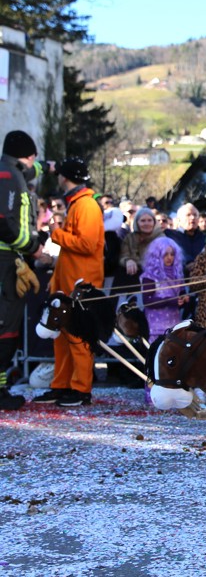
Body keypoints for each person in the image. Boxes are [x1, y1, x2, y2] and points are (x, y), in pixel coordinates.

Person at [34, 159, 104, 407]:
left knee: (78, 337)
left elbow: (86, 244)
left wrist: (56, 232)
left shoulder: (86, 205)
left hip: (81, 285)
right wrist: (55, 279)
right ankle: (62, 385)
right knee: (63, 338)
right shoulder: (78, 203)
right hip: (68, 283)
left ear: (64, 177)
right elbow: (71, 251)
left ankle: (80, 389)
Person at [0, 130, 42, 410]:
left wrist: (49, 167)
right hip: (5, 260)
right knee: (5, 325)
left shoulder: (11, 170)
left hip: (9, 258)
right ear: (27, 155)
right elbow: (3, 221)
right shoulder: (8, 176)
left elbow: (32, 171)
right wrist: (32, 247)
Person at [139, 236, 189, 339]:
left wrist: (184, 299)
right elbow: (147, 300)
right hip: (155, 326)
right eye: (165, 254)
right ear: (157, 256)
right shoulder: (150, 276)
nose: (169, 257)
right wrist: (170, 300)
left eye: (172, 254)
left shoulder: (177, 275)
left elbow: (181, 294)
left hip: (174, 324)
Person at [116, 207, 161, 304]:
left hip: (155, 279)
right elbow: (123, 255)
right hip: (133, 277)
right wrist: (128, 260)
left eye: (149, 220)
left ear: (154, 222)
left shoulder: (161, 238)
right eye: (143, 221)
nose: (146, 223)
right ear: (137, 222)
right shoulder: (130, 238)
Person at [165, 203, 206, 273]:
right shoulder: (170, 235)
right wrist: (187, 264)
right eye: (188, 215)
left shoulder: (204, 237)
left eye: (195, 215)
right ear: (179, 220)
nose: (192, 218)